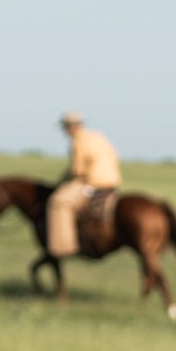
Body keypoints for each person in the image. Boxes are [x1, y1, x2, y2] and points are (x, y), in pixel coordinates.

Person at [48, 111, 122, 259]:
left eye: (67, 127)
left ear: (70, 127)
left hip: (92, 182)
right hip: (112, 181)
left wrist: (62, 181)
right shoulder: (97, 136)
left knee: (58, 201)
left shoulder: (78, 141)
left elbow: (78, 170)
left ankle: (63, 246)